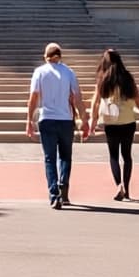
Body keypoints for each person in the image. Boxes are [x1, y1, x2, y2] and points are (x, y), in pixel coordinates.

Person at [25, 41, 87, 208]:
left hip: (47, 119)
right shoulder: (69, 72)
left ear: (46, 57)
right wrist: (85, 120)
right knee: (66, 156)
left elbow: (34, 97)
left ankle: (54, 194)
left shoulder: (39, 72)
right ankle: (63, 185)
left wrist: (29, 120)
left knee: (49, 159)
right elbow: (78, 98)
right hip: (66, 119)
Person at [86, 48, 139, 201]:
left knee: (114, 156)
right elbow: (138, 100)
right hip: (128, 121)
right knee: (127, 156)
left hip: (111, 122)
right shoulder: (128, 78)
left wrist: (92, 121)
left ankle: (118, 185)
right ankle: (127, 189)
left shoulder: (103, 80)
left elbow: (95, 103)